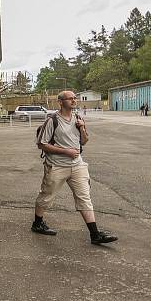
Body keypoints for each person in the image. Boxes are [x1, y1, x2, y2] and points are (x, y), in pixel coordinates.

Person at [33, 91, 118, 245]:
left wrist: (83, 128)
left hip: (77, 165)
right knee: (46, 196)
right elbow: (41, 144)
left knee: (84, 197)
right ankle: (37, 223)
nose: (74, 100)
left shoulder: (78, 118)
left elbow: (84, 141)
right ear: (60, 102)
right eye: (70, 98)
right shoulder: (52, 121)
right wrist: (66, 151)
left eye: (75, 98)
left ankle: (95, 234)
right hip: (57, 166)